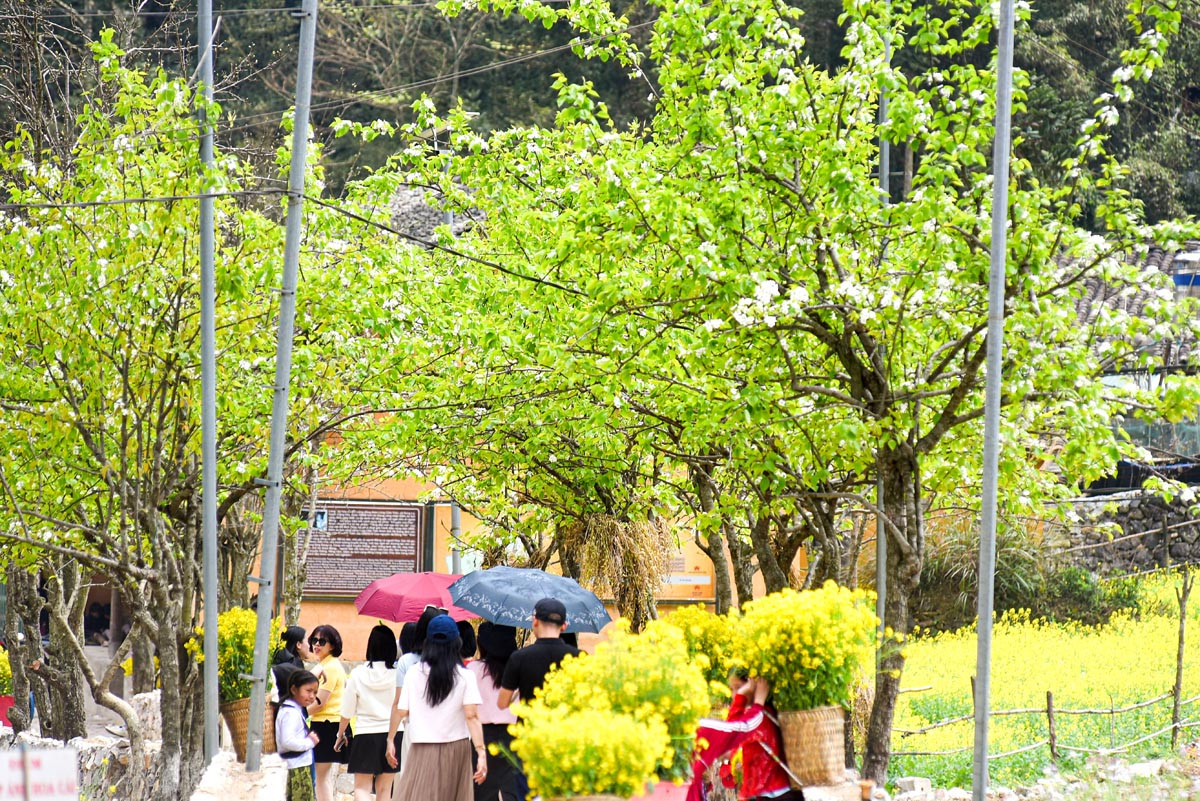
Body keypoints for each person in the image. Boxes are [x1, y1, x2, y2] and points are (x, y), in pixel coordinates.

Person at [386, 614, 487, 801]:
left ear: (427, 642)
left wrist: (390, 739)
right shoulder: (465, 676)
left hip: (422, 746)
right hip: (457, 748)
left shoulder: (414, 673)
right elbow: (471, 716)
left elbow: (401, 710)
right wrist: (481, 752)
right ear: (457, 643)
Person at [687, 677, 802, 801]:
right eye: (732, 689)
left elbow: (733, 737)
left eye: (739, 687)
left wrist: (741, 701)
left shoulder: (762, 716)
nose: (734, 694)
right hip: (768, 792)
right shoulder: (757, 714)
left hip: (775, 793)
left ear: (757, 688)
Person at [338, 624, 403, 801]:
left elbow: (347, 710)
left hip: (365, 735)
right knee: (385, 789)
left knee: (361, 788)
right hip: (394, 735)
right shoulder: (398, 675)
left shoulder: (358, 674)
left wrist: (340, 733)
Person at [467, 622, 521, 801]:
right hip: (512, 735)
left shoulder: (474, 669)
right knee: (511, 790)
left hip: (481, 736)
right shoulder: (518, 668)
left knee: (481, 790)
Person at [387, 605, 443, 776]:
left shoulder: (407, 662)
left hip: (414, 729)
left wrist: (390, 738)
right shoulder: (452, 664)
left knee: (411, 783)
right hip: (444, 731)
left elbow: (398, 704)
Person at [497, 597, 578, 710]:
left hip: (528, 726)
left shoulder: (519, 657)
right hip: (563, 726)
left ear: (535, 621)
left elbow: (502, 704)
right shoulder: (578, 657)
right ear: (564, 626)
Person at [308, 625, 351, 801]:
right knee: (321, 776)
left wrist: (300, 713)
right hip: (325, 724)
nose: (317, 645)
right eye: (314, 640)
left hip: (326, 725)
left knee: (321, 777)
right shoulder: (325, 665)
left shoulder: (330, 667)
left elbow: (319, 702)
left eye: (322, 641)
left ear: (332, 645)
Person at [276, 669, 322, 801]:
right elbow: (287, 741)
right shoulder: (290, 714)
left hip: (299, 764)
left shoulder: (295, 710)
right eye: (308, 691)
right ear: (294, 690)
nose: (312, 696)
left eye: (315, 692)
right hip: (296, 767)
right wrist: (309, 742)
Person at [272, 626, 308, 707]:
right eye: (307, 641)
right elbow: (306, 682)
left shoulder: (278, 659)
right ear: (299, 644)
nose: (309, 646)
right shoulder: (294, 664)